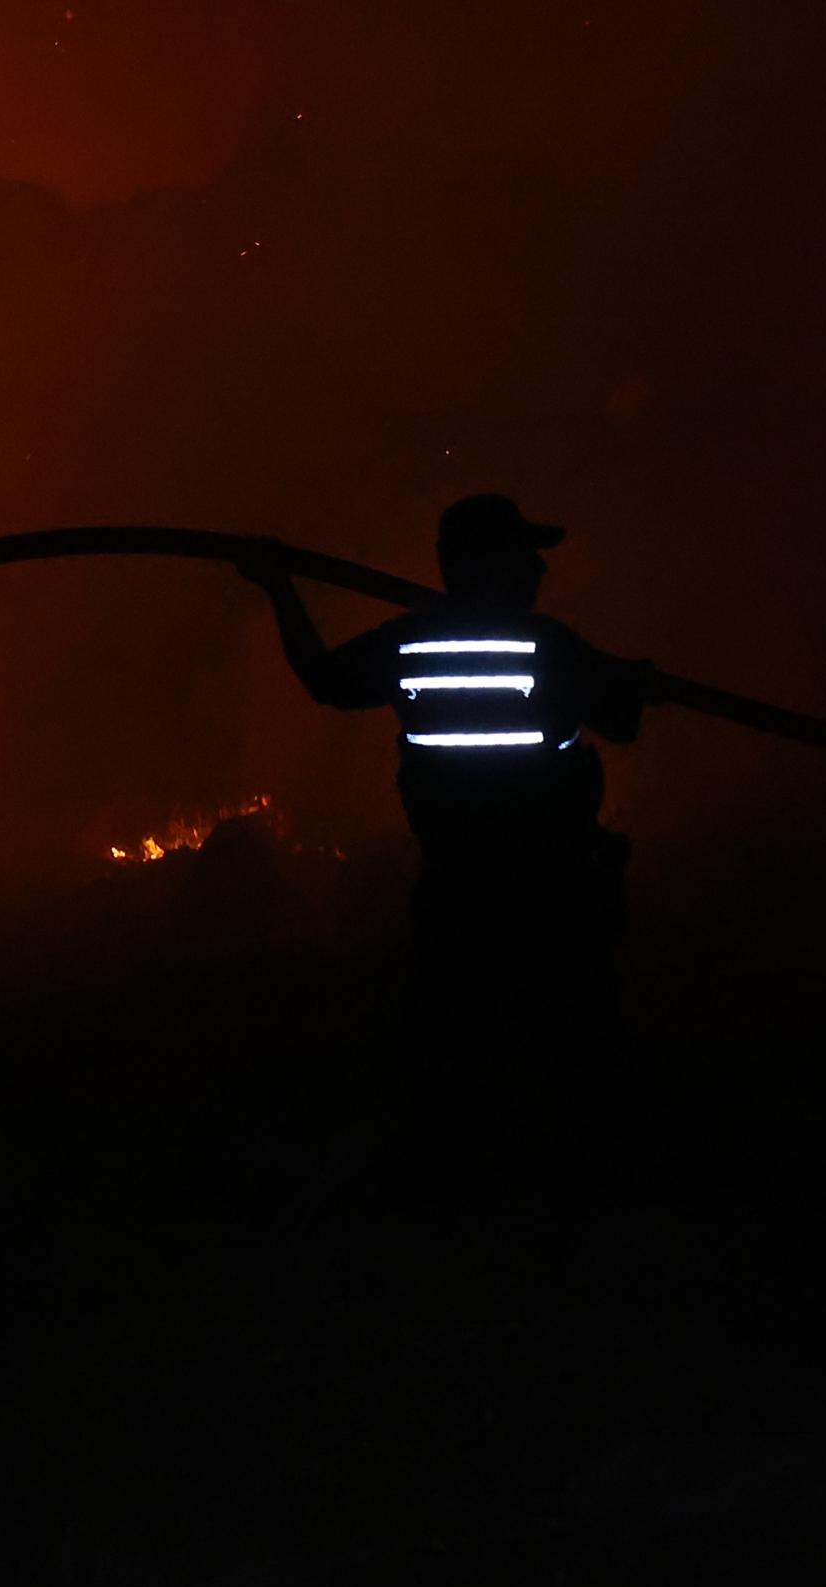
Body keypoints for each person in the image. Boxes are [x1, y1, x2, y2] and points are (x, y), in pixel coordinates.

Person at [251, 492, 646, 1177]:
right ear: (489, 564)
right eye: (525, 556)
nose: (538, 572)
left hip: (456, 893)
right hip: (553, 894)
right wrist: (636, 683)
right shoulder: (549, 646)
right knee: (581, 1057)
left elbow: (324, 680)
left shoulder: (407, 643)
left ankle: (458, 1204)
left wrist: (279, 588)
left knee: (458, 1061)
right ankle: (596, 1201)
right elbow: (623, 719)